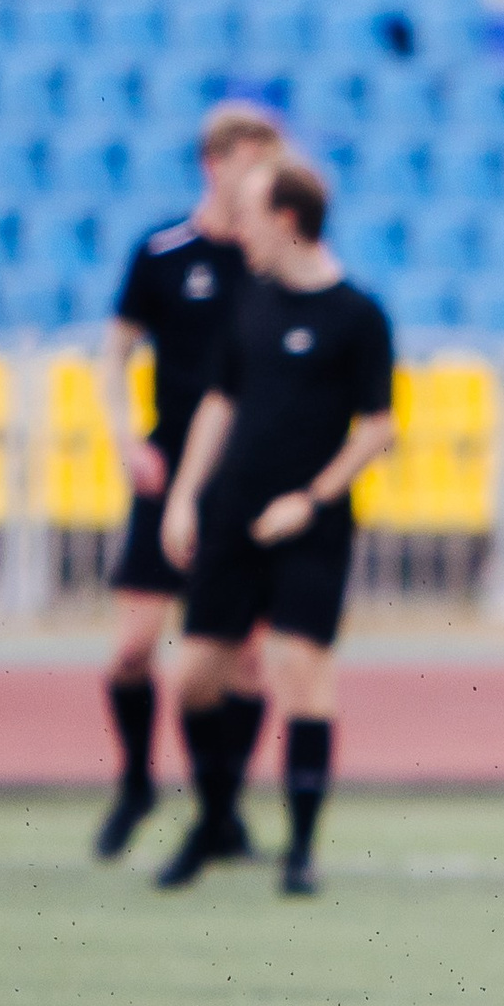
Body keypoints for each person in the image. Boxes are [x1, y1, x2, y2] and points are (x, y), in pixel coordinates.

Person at [159, 157, 397, 898]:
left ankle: (299, 850)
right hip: (231, 514)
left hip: (310, 525)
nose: (241, 232)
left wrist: (312, 498)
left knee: (301, 677)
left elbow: (378, 429)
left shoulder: (358, 314)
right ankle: (216, 819)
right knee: (194, 676)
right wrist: (184, 496)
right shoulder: (249, 300)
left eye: (253, 217)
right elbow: (219, 403)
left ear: (288, 221)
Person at [92, 105, 284, 860]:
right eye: (254, 161)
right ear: (218, 162)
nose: (263, 178)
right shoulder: (165, 251)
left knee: (243, 657)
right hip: (166, 468)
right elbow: (113, 353)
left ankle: (221, 810)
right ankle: (137, 780)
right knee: (134, 649)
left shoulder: (273, 258)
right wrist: (125, 440)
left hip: (243, 481)